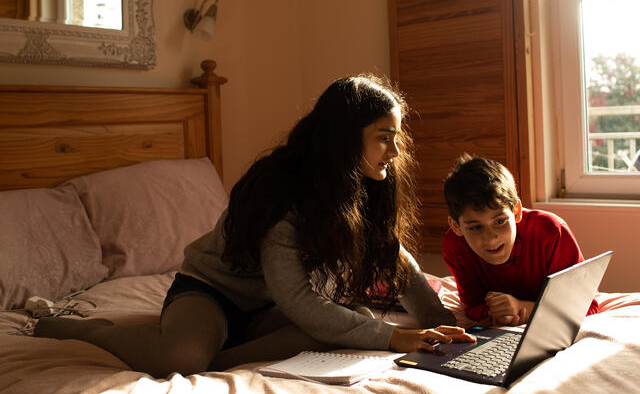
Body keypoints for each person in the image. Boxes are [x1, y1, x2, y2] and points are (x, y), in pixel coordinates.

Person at [35, 74, 474, 378]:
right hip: (213, 292)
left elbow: (394, 261)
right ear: (344, 137)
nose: (395, 151)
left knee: (352, 320)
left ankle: (218, 354)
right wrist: (396, 337)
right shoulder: (281, 191)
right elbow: (301, 300)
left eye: (396, 137)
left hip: (268, 308)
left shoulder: (369, 185)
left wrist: (447, 328)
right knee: (183, 357)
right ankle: (84, 329)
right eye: (384, 136)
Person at [442, 154, 599, 326]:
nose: (491, 237)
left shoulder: (551, 231)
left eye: (500, 221)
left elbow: (586, 307)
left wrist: (522, 307)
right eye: (475, 227)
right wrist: (497, 312)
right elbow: (473, 307)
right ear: (456, 226)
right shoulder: (454, 245)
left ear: (517, 211)